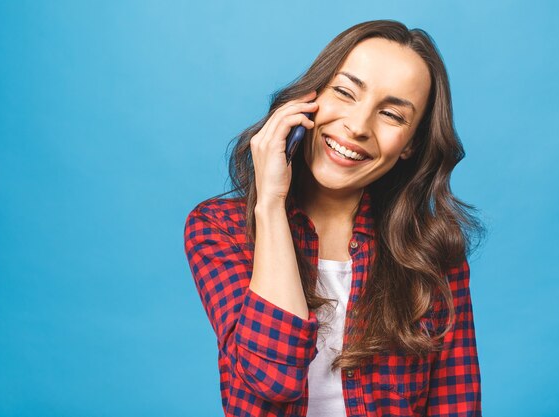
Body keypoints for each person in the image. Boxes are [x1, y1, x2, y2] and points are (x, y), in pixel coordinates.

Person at [183, 19, 486, 417]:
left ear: (410, 145)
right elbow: (271, 377)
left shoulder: (433, 252)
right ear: (308, 100)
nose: (357, 127)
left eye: (392, 115)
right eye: (345, 92)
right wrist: (270, 203)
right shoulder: (220, 229)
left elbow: (456, 406)